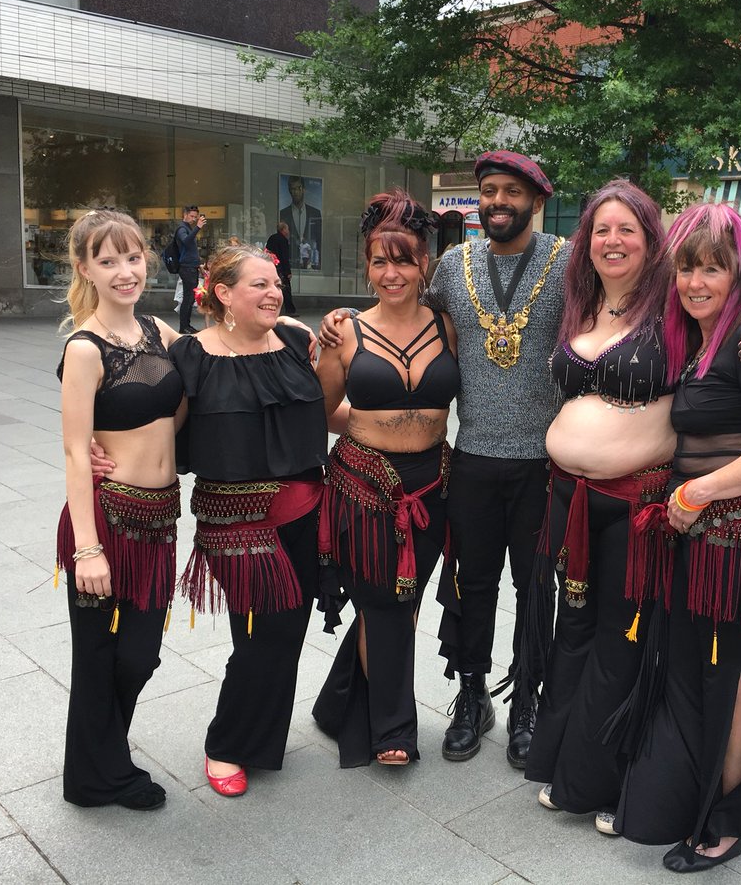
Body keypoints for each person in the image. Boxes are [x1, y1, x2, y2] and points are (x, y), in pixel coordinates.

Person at [319, 153, 741, 769]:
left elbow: (699, 291)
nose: (498, 201)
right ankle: (471, 695)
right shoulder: (450, 264)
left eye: (513, 192)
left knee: (538, 590)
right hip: (470, 458)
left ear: (537, 199)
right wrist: (335, 324)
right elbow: (403, 305)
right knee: (469, 586)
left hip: (542, 469)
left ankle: (527, 700)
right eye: (488, 192)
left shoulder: (568, 263)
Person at [613, 202, 741, 872]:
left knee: (727, 677)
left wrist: (697, 491)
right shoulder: (700, 340)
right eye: (687, 269)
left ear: (738, 273)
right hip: (699, 541)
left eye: (712, 270)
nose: (695, 282)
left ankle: (725, 822)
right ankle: (735, 801)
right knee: (711, 675)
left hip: (736, 543)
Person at [522, 180, 676, 835]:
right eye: (600, 231)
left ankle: (603, 782)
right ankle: (562, 766)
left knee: (623, 637)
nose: (612, 242)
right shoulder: (579, 307)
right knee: (574, 630)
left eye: (627, 230)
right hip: (568, 498)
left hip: (635, 504)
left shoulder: (674, 309)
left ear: (650, 239)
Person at [172, 244, 328, 797]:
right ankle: (227, 743)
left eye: (276, 283)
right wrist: (99, 450)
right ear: (223, 294)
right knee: (262, 635)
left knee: (285, 634)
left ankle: (260, 737)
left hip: (307, 513)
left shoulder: (294, 340)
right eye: (259, 284)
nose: (274, 292)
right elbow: (160, 428)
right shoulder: (192, 355)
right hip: (235, 522)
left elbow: (327, 412)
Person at [311, 190, 458, 767]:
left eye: (403, 259)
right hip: (364, 486)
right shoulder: (343, 332)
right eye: (379, 260)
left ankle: (337, 700)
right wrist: (375, 424)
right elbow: (322, 412)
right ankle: (392, 727)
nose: (390, 273)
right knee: (385, 606)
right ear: (366, 265)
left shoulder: (449, 324)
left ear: (425, 262)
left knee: (405, 601)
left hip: (431, 485)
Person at [55, 209, 185, 811]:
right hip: (105, 522)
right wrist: (87, 548)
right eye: (108, 261)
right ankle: (98, 776)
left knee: (140, 654)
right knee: (97, 655)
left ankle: (98, 764)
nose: (125, 271)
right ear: (85, 268)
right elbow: (77, 454)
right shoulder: (84, 348)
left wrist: (292, 322)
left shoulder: (161, 331)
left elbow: (223, 349)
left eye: (132, 257)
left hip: (159, 522)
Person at [176, 205, 207, 334]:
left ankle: (186, 325)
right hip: (186, 268)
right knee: (188, 298)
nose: (194, 219)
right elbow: (186, 242)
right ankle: (183, 326)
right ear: (185, 215)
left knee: (190, 298)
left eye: (196, 217)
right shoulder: (182, 229)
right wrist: (198, 227)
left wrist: (199, 266)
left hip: (192, 266)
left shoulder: (188, 228)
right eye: (192, 216)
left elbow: (191, 250)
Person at [280, 175, 322, 270]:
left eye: (298, 188)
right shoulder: (283, 214)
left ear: (303, 189)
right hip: (290, 262)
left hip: (310, 263)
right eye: (292, 189)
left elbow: (320, 239)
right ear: (289, 190)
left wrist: (319, 261)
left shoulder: (315, 213)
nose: (296, 192)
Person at [266, 221, 297, 314]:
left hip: (272, 266)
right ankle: (290, 309)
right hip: (281, 268)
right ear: (283, 229)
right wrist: (288, 272)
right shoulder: (283, 240)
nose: (288, 231)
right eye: (287, 229)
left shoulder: (272, 238)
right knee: (286, 288)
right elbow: (284, 257)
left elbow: (267, 252)